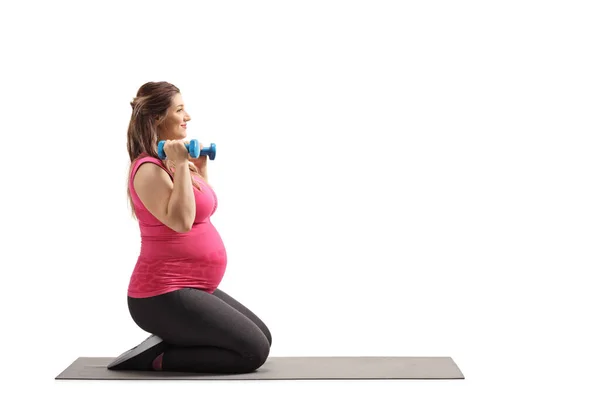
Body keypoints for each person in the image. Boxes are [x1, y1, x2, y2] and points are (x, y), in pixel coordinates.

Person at [108, 81, 272, 374]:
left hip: (192, 286)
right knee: (252, 352)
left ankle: (171, 341)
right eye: (180, 109)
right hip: (160, 294)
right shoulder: (148, 169)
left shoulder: (172, 164)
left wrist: (198, 167)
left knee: (264, 338)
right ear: (158, 118)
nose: (188, 117)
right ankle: (155, 358)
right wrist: (181, 165)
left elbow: (202, 209)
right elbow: (181, 222)